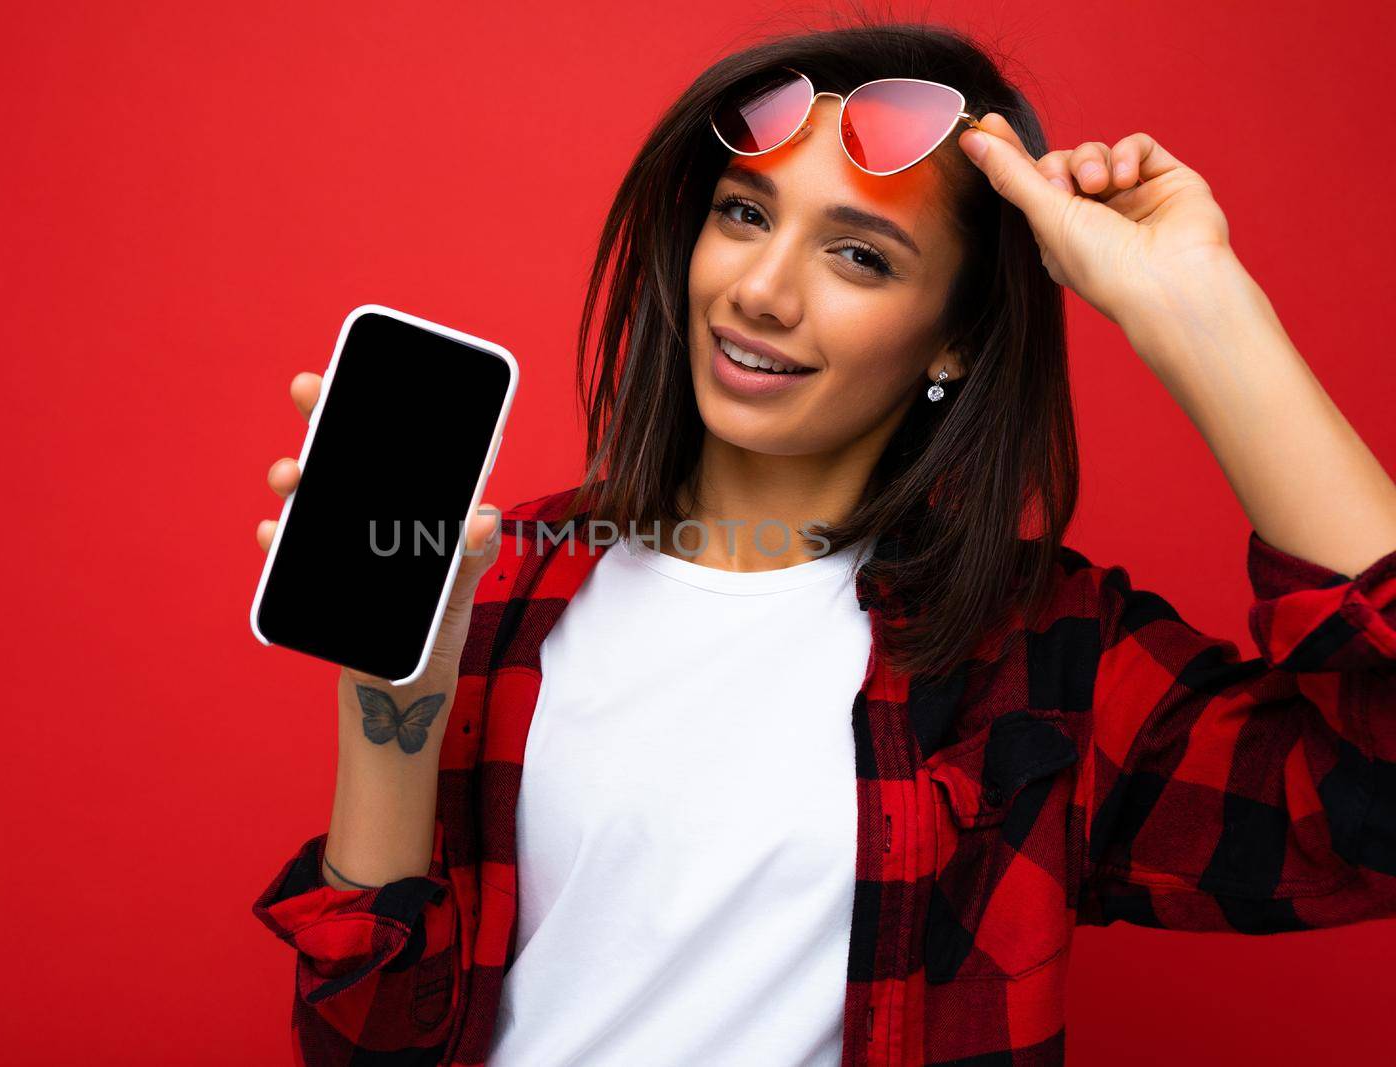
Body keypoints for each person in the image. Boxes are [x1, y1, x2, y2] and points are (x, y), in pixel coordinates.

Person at [248, 21, 1396, 1067]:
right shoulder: (501, 579)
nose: (759, 289)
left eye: (860, 256)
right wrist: (392, 691)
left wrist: (1196, 304)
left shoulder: (1043, 659)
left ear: (953, 341)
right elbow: (363, 1050)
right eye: (744, 212)